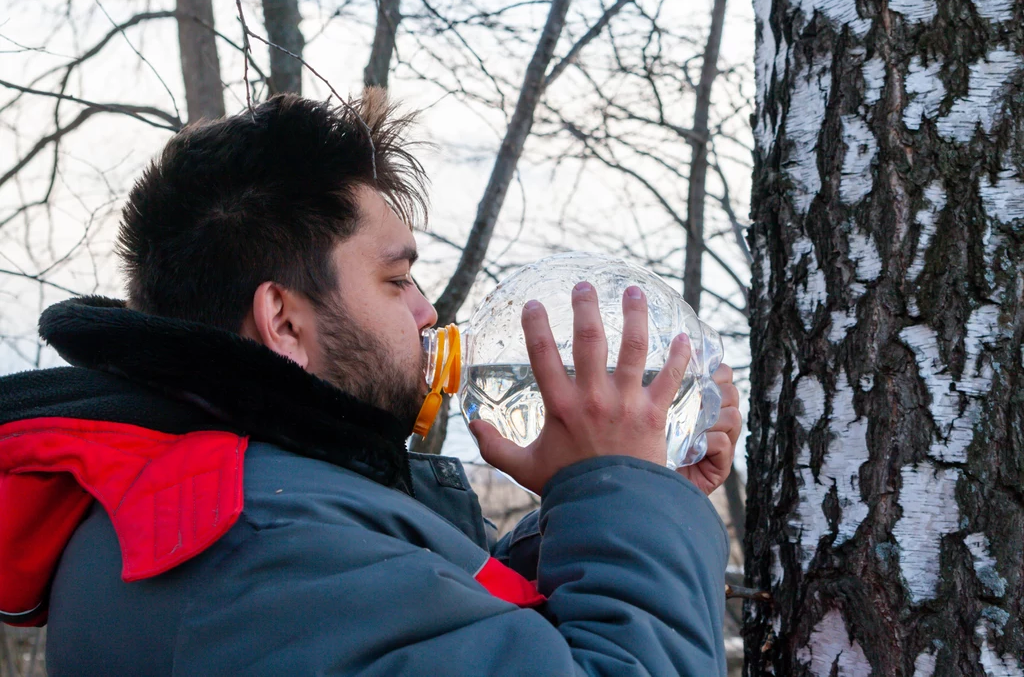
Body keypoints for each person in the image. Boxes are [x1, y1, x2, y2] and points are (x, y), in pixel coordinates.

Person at [0, 91, 742, 676]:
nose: (428, 311)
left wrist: (625, 495)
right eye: (398, 280)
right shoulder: (252, 549)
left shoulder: (232, 507)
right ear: (284, 322)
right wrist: (622, 494)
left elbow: (439, 632)